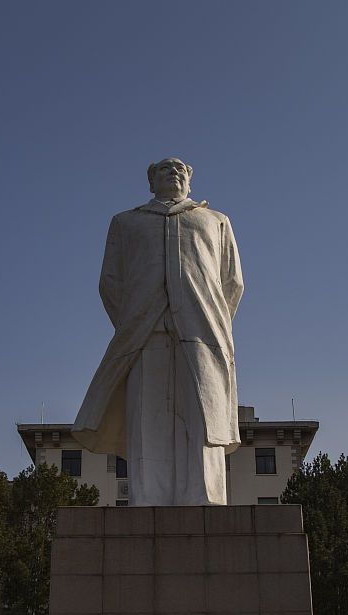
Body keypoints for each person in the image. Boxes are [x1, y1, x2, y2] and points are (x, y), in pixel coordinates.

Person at [73, 158, 244, 505]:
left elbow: (232, 283)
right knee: (146, 418)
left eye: (181, 169)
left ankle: (204, 498)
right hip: (143, 334)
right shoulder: (126, 222)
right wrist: (135, 318)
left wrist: (209, 317)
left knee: (202, 416)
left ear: (190, 180)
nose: (174, 172)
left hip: (201, 333)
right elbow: (111, 282)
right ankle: (147, 498)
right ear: (151, 181)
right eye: (164, 169)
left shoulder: (215, 221)